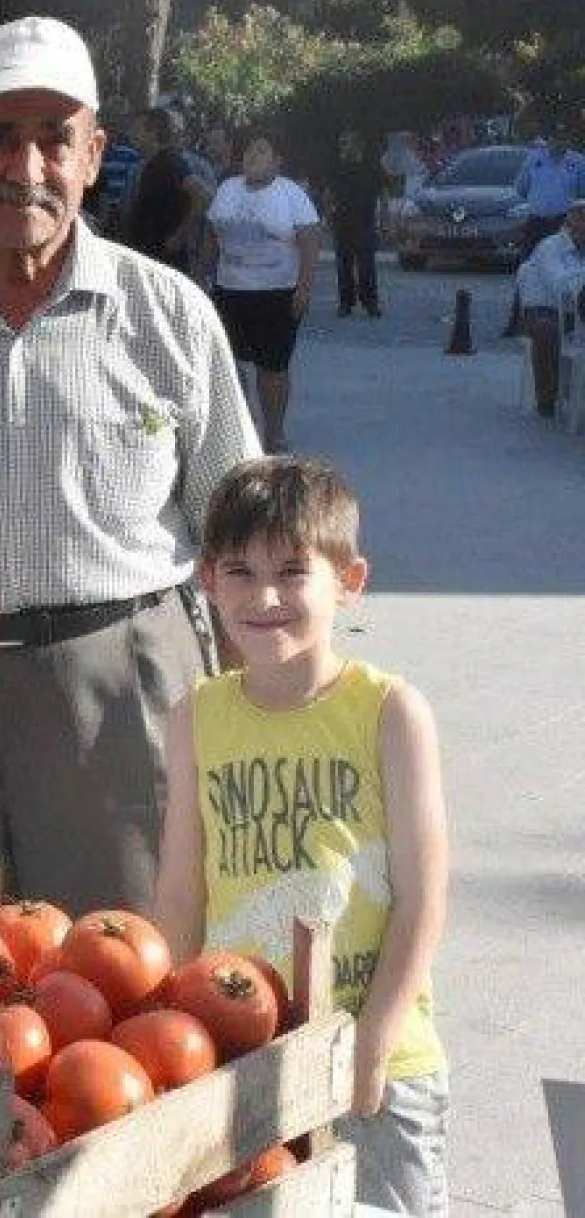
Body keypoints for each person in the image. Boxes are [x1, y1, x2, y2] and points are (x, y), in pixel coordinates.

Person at [0, 16, 260, 915]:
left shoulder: (169, 315)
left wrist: (265, 710)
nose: (24, 170)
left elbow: (238, 534)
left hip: (127, 688)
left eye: (53, 140)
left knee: (134, 975)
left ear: (94, 154)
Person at [154, 456, 449, 1216]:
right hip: (247, 1061)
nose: (266, 596)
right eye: (241, 572)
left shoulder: (389, 711)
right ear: (207, 581)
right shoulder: (195, 716)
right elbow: (183, 890)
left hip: (379, 1060)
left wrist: (376, 1039)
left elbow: (423, 898)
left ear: (349, 580)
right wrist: (165, 1034)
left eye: (292, 571)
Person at [205, 130, 323, 454]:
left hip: (277, 293)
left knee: (272, 367)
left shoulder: (291, 194)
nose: (252, 158)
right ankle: (242, 427)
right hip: (230, 290)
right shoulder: (228, 189)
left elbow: (310, 240)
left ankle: (274, 432)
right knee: (230, 365)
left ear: (277, 160)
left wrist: (305, 287)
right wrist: (204, 275)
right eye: (248, 153)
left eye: (261, 151)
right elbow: (213, 235)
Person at [502, 131, 585, 337]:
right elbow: (521, 188)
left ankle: (566, 319)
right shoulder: (534, 159)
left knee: (567, 269)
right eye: (556, 136)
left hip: (565, 222)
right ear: (549, 139)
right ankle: (518, 321)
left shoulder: (577, 162)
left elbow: (582, 194)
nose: (560, 141)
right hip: (537, 222)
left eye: (564, 137)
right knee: (527, 270)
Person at [516, 198, 585, 419]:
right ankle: (548, 397)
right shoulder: (550, 246)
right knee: (548, 330)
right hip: (542, 309)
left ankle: (576, 393)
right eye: (581, 217)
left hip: (577, 311)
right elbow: (558, 285)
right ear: (571, 220)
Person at [124, 106, 208, 275]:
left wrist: (178, 237)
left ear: (153, 132)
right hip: (148, 254)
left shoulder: (171, 161)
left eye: (136, 129)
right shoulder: (150, 163)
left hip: (166, 261)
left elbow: (203, 196)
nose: (130, 134)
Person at [326, 128, 385, 317]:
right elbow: (328, 193)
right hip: (342, 222)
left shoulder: (371, 166)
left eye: (346, 142)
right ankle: (346, 303)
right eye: (341, 143)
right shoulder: (337, 168)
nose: (342, 147)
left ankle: (370, 303)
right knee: (343, 265)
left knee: (367, 265)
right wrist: (327, 216)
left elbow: (383, 192)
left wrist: (384, 219)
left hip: (365, 221)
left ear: (359, 145)